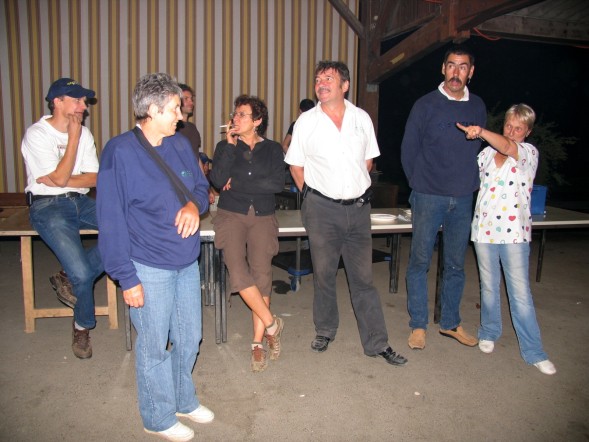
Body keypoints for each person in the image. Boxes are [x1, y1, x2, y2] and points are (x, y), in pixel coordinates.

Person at [97, 73, 214, 441]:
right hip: (147, 265)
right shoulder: (119, 152)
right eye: (174, 109)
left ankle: (182, 399)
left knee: (190, 337)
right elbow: (110, 218)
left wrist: (194, 206)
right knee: (153, 346)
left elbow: (200, 188)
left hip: (186, 261)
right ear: (151, 109)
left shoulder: (180, 144)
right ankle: (157, 416)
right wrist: (126, 277)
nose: (181, 115)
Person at [285, 60, 407, 367]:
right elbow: (296, 165)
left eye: (329, 78)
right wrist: (312, 196)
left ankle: (377, 342)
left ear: (345, 85)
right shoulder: (306, 122)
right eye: (318, 79)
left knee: (363, 278)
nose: (321, 83)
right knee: (324, 274)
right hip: (321, 209)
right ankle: (325, 329)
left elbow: (368, 161)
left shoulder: (361, 118)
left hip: (359, 209)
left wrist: (351, 188)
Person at [457, 104, 556, 375]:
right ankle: (489, 331)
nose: (512, 132)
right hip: (484, 230)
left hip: (514, 233)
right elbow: (469, 180)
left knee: (520, 294)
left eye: (518, 128)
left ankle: (534, 351)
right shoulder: (486, 154)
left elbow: (508, 146)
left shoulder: (527, 152)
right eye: (509, 126)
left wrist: (480, 131)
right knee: (488, 286)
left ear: (528, 131)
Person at [401, 44, 487, 350]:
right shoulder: (425, 105)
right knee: (419, 262)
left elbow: (477, 146)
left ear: (470, 72)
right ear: (443, 68)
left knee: (455, 265)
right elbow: (409, 149)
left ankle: (450, 323)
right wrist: (418, 183)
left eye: (462, 67)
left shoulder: (477, 105)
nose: (456, 72)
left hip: (462, 197)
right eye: (451, 65)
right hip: (428, 195)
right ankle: (418, 325)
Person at [21, 78, 104, 359]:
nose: (84, 106)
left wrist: (61, 178)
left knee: (129, 228)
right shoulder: (37, 134)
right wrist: (73, 138)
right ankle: (82, 326)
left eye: (84, 101)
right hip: (47, 206)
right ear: (57, 102)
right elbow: (57, 180)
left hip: (81, 201)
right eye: (77, 100)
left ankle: (66, 276)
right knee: (84, 274)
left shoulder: (86, 133)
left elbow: (94, 178)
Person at [209, 94, 285, 373]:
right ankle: (272, 324)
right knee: (238, 271)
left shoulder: (273, 149)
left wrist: (238, 182)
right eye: (235, 114)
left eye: (242, 114)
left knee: (262, 275)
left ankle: (257, 343)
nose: (235, 118)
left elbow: (277, 183)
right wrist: (230, 148)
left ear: (257, 120)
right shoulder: (224, 146)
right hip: (231, 214)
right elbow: (217, 180)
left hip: (263, 215)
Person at [176, 83, 202, 156]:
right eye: (186, 99)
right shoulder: (173, 127)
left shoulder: (192, 127)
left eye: (191, 99)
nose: (191, 102)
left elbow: (195, 155)